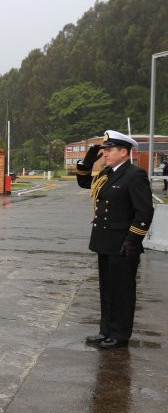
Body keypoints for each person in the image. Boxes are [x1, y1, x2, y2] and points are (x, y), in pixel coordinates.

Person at [75, 130, 154, 349]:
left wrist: (132, 241)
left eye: (109, 150)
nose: (105, 154)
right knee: (107, 289)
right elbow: (84, 184)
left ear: (124, 152)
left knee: (122, 291)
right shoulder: (107, 173)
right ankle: (106, 330)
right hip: (105, 241)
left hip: (122, 243)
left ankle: (120, 334)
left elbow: (144, 212)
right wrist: (86, 163)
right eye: (104, 150)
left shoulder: (134, 174)